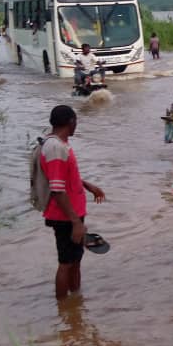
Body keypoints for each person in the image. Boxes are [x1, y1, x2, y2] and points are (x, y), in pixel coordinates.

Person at [40, 105, 106, 299]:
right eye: (75, 121)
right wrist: (76, 222)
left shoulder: (58, 144)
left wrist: (86, 185)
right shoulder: (56, 148)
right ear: (70, 122)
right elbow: (57, 189)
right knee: (66, 263)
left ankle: (75, 304)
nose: (76, 125)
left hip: (71, 213)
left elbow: (61, 177)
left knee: (75, 260)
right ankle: (64, 311)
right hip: (65, 216)